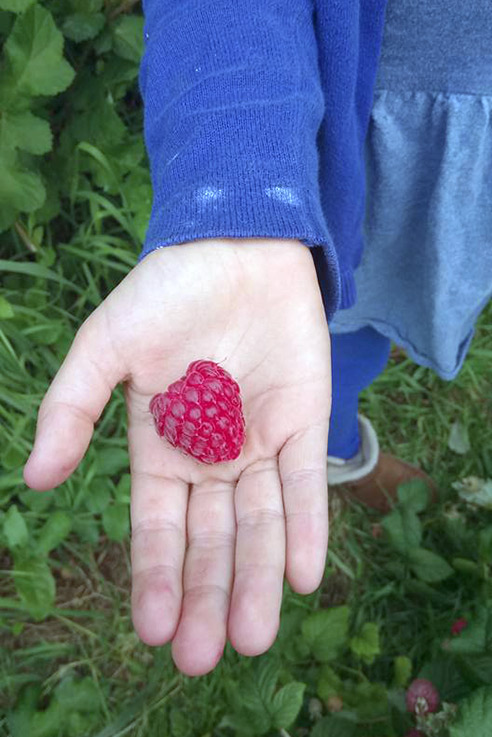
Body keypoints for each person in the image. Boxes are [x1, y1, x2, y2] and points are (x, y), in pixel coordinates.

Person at [22, 0, 492, 679]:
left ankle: (336, 432)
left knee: (361, 336)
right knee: (315, 338)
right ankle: (334, 446)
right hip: (330, 132)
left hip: (458, 161)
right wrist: (231, 186)